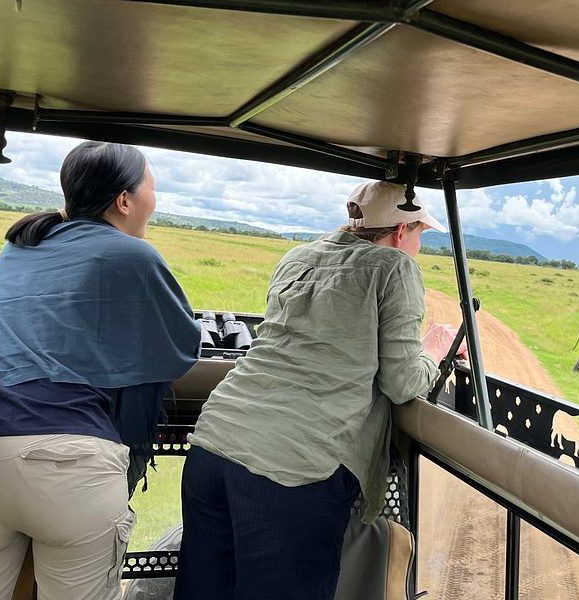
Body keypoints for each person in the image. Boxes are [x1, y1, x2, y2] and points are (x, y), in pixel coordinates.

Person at [0, 142, 201, 600]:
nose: (155, 198)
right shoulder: (134, 255)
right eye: (152, 187)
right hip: (74, 465)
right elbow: (180, 347)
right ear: (125, 201)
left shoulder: (20, 248)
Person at [176, 181, 459, 599]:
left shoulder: (298, 257)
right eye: (419, 235)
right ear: (402, 232)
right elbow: (402, 382)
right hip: (291, 470)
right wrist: (433, 353)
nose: (419, 246)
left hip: (213, 446)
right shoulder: (394, 267)